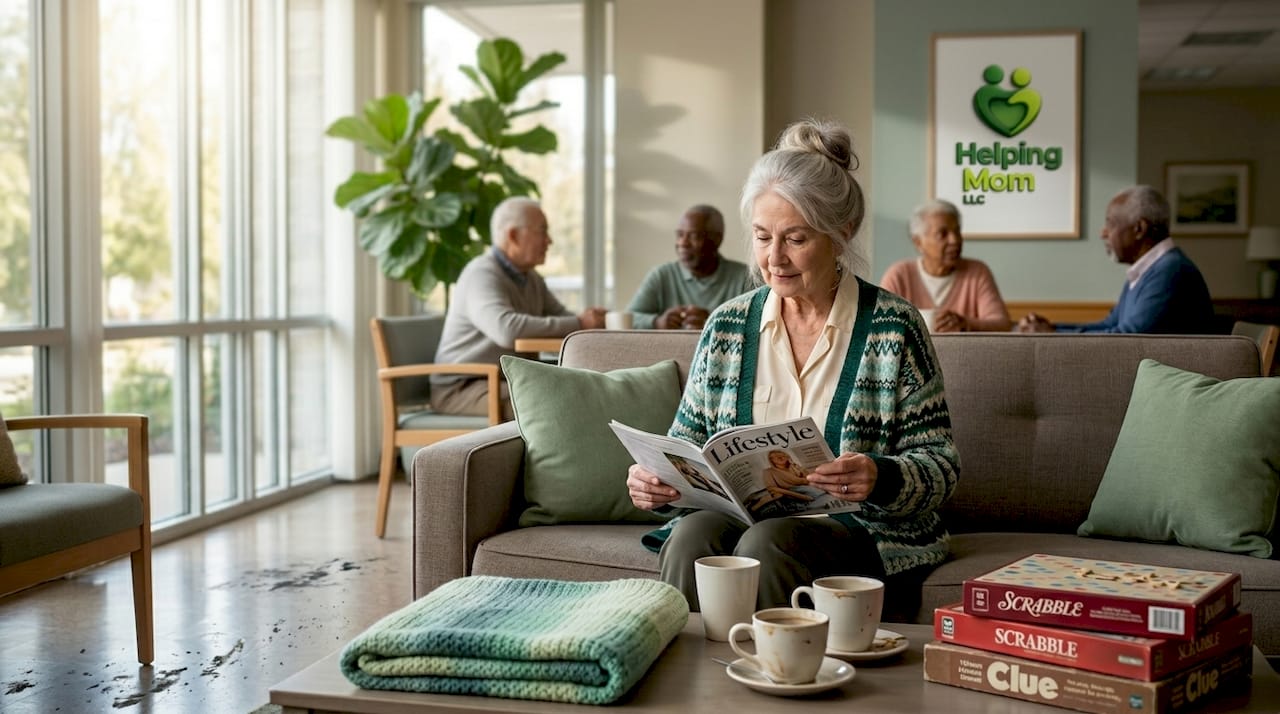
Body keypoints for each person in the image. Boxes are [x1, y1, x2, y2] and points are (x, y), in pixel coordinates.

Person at [625, 118, 960, 612]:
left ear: (841, 233)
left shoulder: (894, 328)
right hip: (748, 519)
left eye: (795, 239)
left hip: (862, 529)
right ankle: (685, 680)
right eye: (762, 238)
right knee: (693, 535)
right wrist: (660, 482)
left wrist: (879, 475)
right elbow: (688, 444)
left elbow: (941, 464)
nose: (774, 258)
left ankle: (775, 678)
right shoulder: (727, 326)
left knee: (769, 543)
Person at [431, 197, 607, 419]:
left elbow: (565, 320)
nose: (549, 241)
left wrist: (592, 323)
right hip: (464, 387)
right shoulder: (481, 274)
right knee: (553, 405)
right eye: (542, 231)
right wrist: (580, 323)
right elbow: (506, 330)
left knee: (583, 393)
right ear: (513, 235)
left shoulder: (531, 279)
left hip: (505, 380)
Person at [1015, 185, 1215, 334]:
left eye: (1110, 224)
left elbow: (1126, 339)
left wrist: (1050, 334)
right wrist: (1051, 328)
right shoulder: (1148, 269)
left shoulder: (1170, 272)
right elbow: (1109, 325)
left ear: (1139, 229)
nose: (1103, 233)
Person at [879, 199, 1011, 332]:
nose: (955, 240)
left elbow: (1002, 324)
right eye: (942, 234)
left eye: (957, 231)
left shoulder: (977, 272)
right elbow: (879, 325)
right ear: (918, 242)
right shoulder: (899, 275)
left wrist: (966, 324)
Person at [626, 205, 755, 330]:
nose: (683, 243)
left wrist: (712, 323)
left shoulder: (745, 277)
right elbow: (629, 318)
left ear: (717, 239)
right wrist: (656, 322)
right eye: (680, 235)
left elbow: (759, 323)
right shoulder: (661, 276)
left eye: (693, 236)